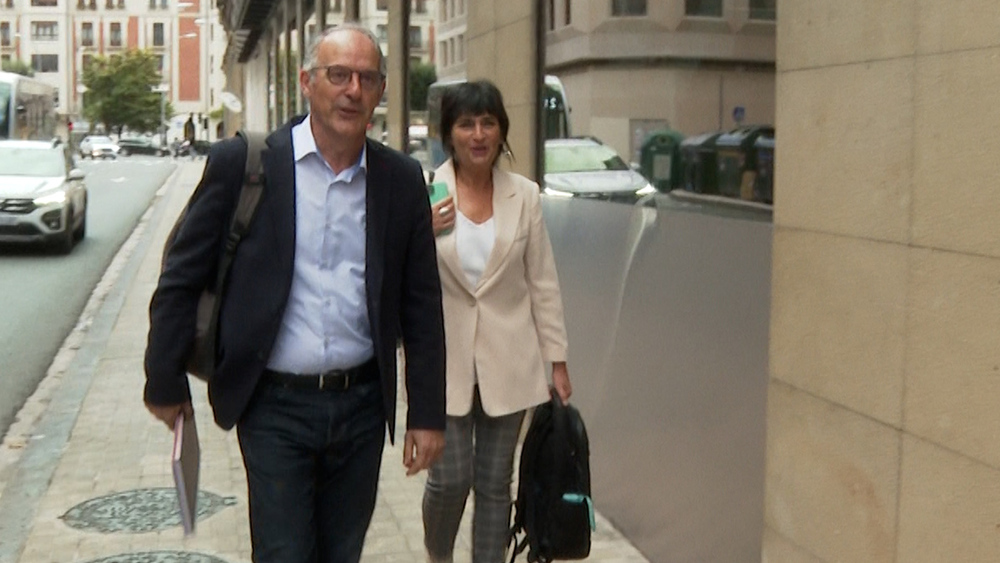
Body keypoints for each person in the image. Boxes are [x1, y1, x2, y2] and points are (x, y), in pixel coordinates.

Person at [143, 24, 446, 563]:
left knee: (341, 552)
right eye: (338, 75)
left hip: (361, 408)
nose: (353, 89)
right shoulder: (245, 165)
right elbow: (181, 276)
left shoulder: (399, 180)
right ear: (307, 82)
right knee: (285, 552)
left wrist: (427, 412)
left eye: (367, 78)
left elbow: (421, 302)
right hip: (273, 405)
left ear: (379, 92)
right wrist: (164, 380)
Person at [421, 80, 572, 563]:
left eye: (489, 122)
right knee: (450, 479)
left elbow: (542, 282)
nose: (479, 134)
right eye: (467, 123)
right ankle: (438, 553)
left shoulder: (524, 196)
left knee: (493, 484)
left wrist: (558, 360)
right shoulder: (425, 191)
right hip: (444, 363)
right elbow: (402, 278)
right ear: (450, 134)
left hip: (511, 360)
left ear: (501, 131)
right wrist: (423, 234)